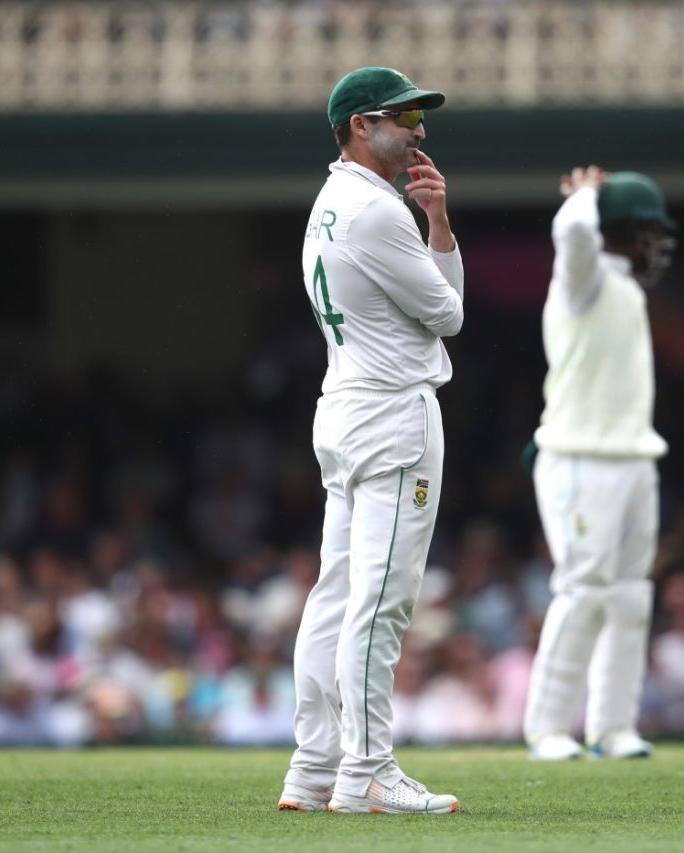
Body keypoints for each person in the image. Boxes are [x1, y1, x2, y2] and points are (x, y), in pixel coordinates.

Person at [278, 66, 463, 815]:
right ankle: (367, 772)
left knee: (335, 595)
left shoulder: (329, 201)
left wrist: (435, 219)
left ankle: (314, 766)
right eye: (403, 116)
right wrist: (440, 228)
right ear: (360, 124)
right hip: (392, 415)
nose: (419, 129)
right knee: (379, 600)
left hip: (346, 407)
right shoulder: (377, 212)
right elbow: (448, 314)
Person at [522, 166, 676, 760]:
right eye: (647, 232)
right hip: (581, 458)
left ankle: (613, 727)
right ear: (624, 231)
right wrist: (585, 196)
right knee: (583, 590)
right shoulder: (581, 280)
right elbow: (572, 237)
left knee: (631, 594)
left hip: (635, 455)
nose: (654, 246)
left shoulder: (627, 289)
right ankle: (549, 729)